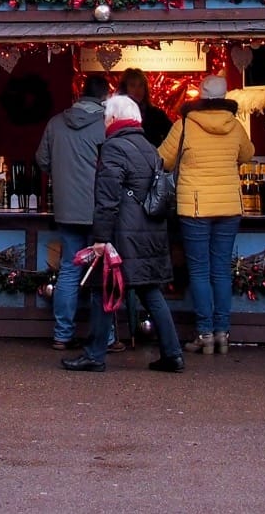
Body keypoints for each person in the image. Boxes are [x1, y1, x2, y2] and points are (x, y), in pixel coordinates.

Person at [61, 94, 185, 374]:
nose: (104, 123)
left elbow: (107, 199)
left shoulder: (115, 148)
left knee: (103, 292)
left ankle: (94, 355)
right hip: (149, 233)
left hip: (122, 235)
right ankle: (173, 354)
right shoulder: (149, 148)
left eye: (106, 118)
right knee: (151, 292)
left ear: (115, 119)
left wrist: (101, 239)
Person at [159, 74, 253, 355]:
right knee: (221, 269)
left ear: (199, 96)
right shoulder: (234, 126)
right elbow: (248, 154)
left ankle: (204, 334)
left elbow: (163, 159)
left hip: (195, 207)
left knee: (199, 270)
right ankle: (223, 333)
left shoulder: (185, 124)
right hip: (228, 207)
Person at [35, 73, 108, 351]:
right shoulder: (105, 125)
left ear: (80, 92)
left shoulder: (56, 123)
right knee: (101, 272)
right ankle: (105, 337)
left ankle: (63, 334)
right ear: (104, 96)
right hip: (100, 210)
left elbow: (41, 159)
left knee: (69, 269)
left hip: (66, 209)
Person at [121, 70, 171, 147]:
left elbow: (172, 138)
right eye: (132, 85)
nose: (137, 90)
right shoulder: (117, 115)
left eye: (141, 85)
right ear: (125, 89)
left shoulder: (157, 114)